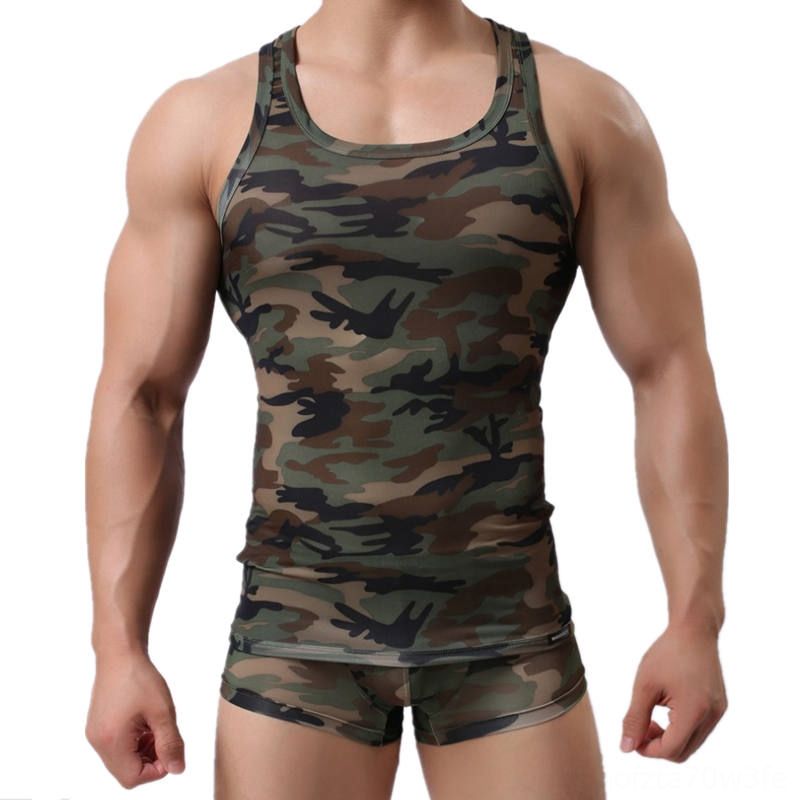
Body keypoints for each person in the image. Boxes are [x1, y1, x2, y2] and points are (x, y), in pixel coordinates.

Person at [83, 2, 728, 798]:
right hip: (297, 636)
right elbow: (144, 396)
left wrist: (696, 622)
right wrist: (117, 649)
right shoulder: (207, 122)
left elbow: (668, 368)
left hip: (507, 634)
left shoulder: (579, 112)